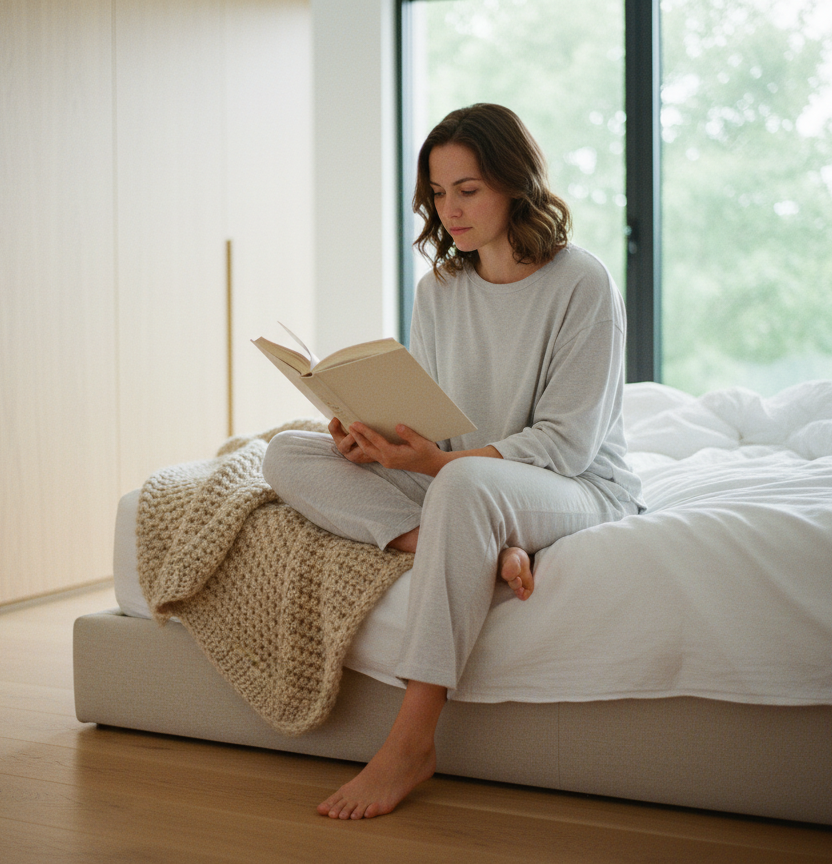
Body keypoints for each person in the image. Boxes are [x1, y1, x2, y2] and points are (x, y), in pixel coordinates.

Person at [261, 103, 645, 820]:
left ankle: (411, 741)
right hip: (462, 483)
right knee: (286, 452)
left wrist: (441, 468)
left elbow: (568, 444)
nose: (451, 210)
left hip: (574, 485)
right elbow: (436, 428)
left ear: (515, 183)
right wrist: (376, 442)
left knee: (464, 483)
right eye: (438, 194)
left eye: (467, 190)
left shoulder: (582, 282)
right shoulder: (438, 290)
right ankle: (466, 548)